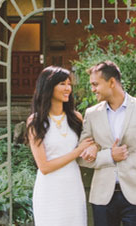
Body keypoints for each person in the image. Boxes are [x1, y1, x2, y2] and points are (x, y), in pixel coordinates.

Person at [78, 60, 136, 225]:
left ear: (111, 82)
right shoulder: (91, 114)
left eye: (95, 84)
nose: (92, 89)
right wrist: (109, 156)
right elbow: (81, 157)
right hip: (102, 198)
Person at [27, 66, 95, 226]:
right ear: (49, 87)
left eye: (69, 84)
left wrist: (93, 147)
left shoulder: (76, 118)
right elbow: (44, 167)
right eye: (62, 84)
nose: (68, 88)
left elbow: (92, 142)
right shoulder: (35, 121)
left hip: (73, 187)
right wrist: (77, 151)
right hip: (49, 190)